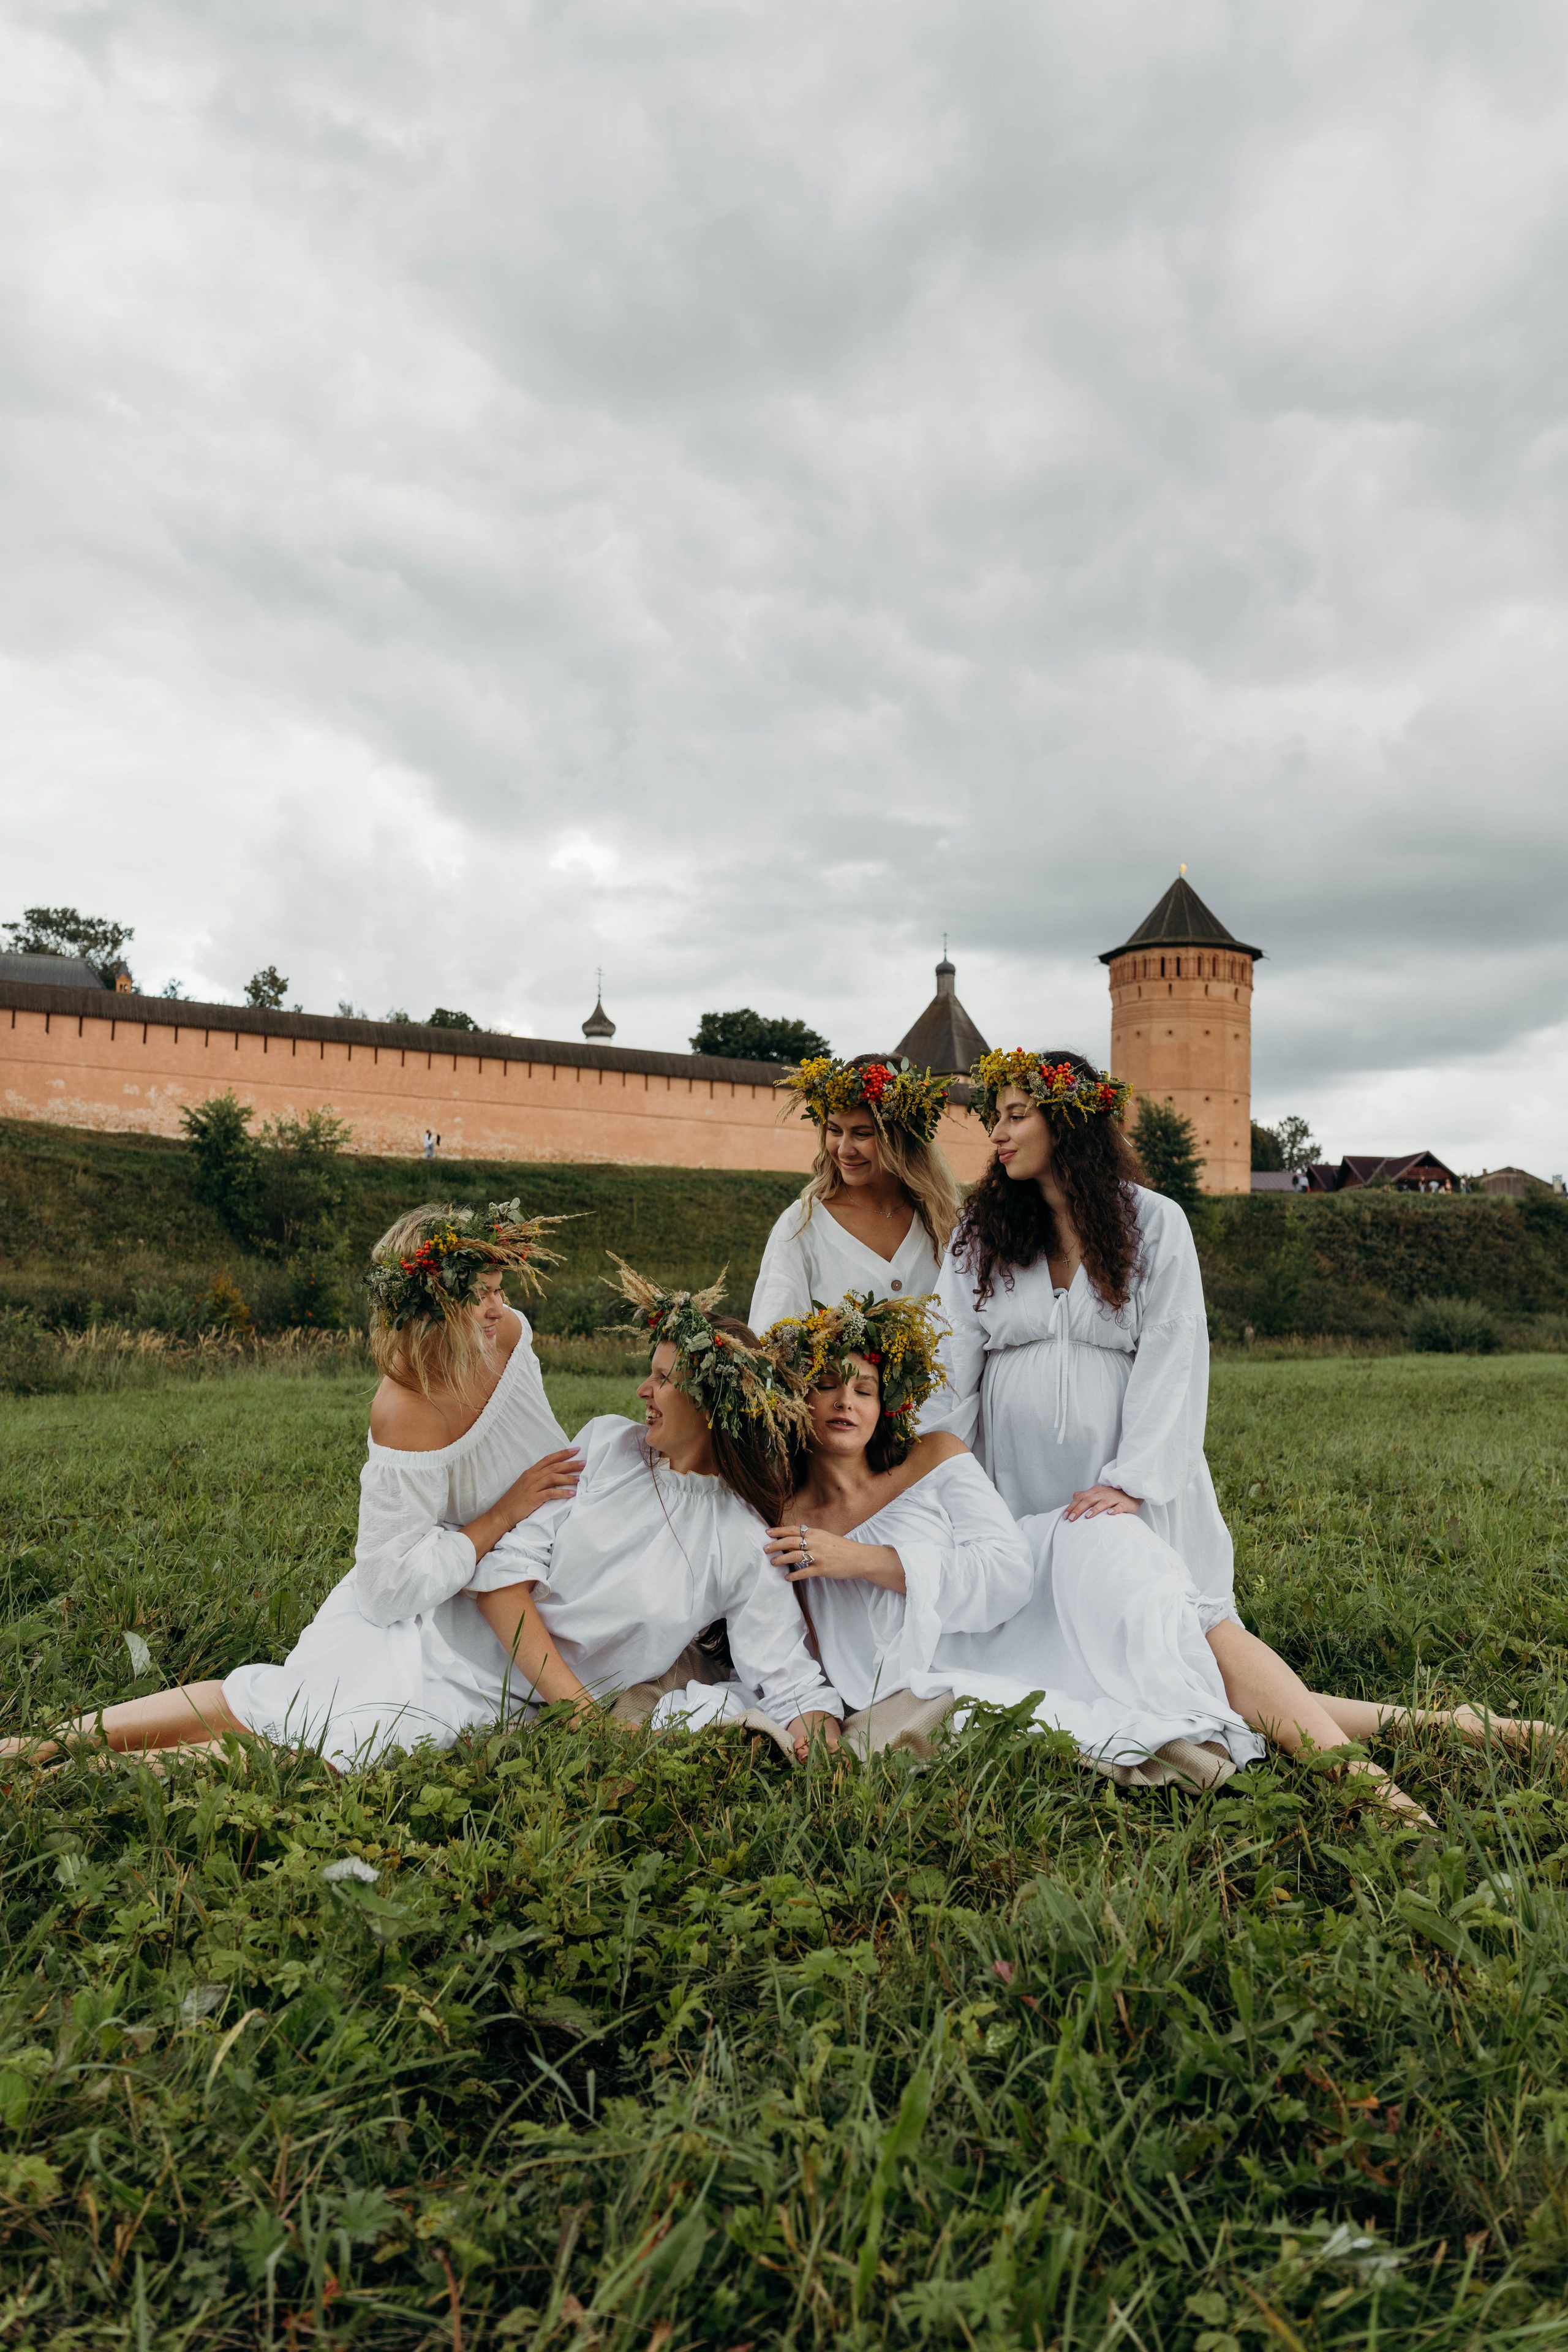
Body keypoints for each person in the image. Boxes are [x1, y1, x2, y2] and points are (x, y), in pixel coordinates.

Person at [919, 1052, 1549, 1811]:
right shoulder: (977, 1235)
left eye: (1016, 1114)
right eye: (996, 1115)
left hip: (1121, 1491)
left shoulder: (1152, 1222)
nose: (997, 1132)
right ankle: (1453, 1727)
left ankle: (1411, 1756)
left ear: (1068, 1122)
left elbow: (1175, 1354)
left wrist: (1132, 1481)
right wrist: (953, 1497)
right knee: (1159, 1668)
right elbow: (948, 1368)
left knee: (1186, 1639)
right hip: (1015, 1489)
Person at [1, 1201, 591, 1770]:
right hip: (430, 1610)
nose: (498, 1307)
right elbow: (388, 1587)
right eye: (478, 1295)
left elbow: (541, 1444)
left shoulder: (508, 1336)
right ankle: (43, 1749)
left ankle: (63, 1763)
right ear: (429, 1306)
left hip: (525, 1574)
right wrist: (504, 1514)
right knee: (275, 1709)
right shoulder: (409, 1407)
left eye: (498, 1288)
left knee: (298, 1728)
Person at [747, 1294, 1262, 1777]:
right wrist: (811, 1718)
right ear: (796, 1397)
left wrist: (860, 1559)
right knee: (1197, 1684)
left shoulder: (934, 1455)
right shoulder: (781, 1518)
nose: (846, 1403)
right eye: (827, 1385)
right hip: (959, 1668)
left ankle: (1337, 1753)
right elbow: (785, 1647)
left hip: (1048, 1593)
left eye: (865, 1391)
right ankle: (1336, 1748)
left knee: (1173, 1643)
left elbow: (1010, 1575)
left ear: (886, 1407)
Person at [468, 1261, 845, 1762]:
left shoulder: (741, 1538)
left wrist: (824, 1751)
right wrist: (585, 1717)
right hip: (468, 1654)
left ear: (711, 1407)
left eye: (663, 1379)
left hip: (527, 1705)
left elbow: (787, 1676)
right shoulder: (605, 1445)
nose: (643, 1391)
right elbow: (499, 1583)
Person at [748, 1054, 961, 1332]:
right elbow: (772, 1340)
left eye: (862, 1134)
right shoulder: (802, 1225)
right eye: (834, 1130)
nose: (844, 1149)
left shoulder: (945, 1222)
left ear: (901, 1139)